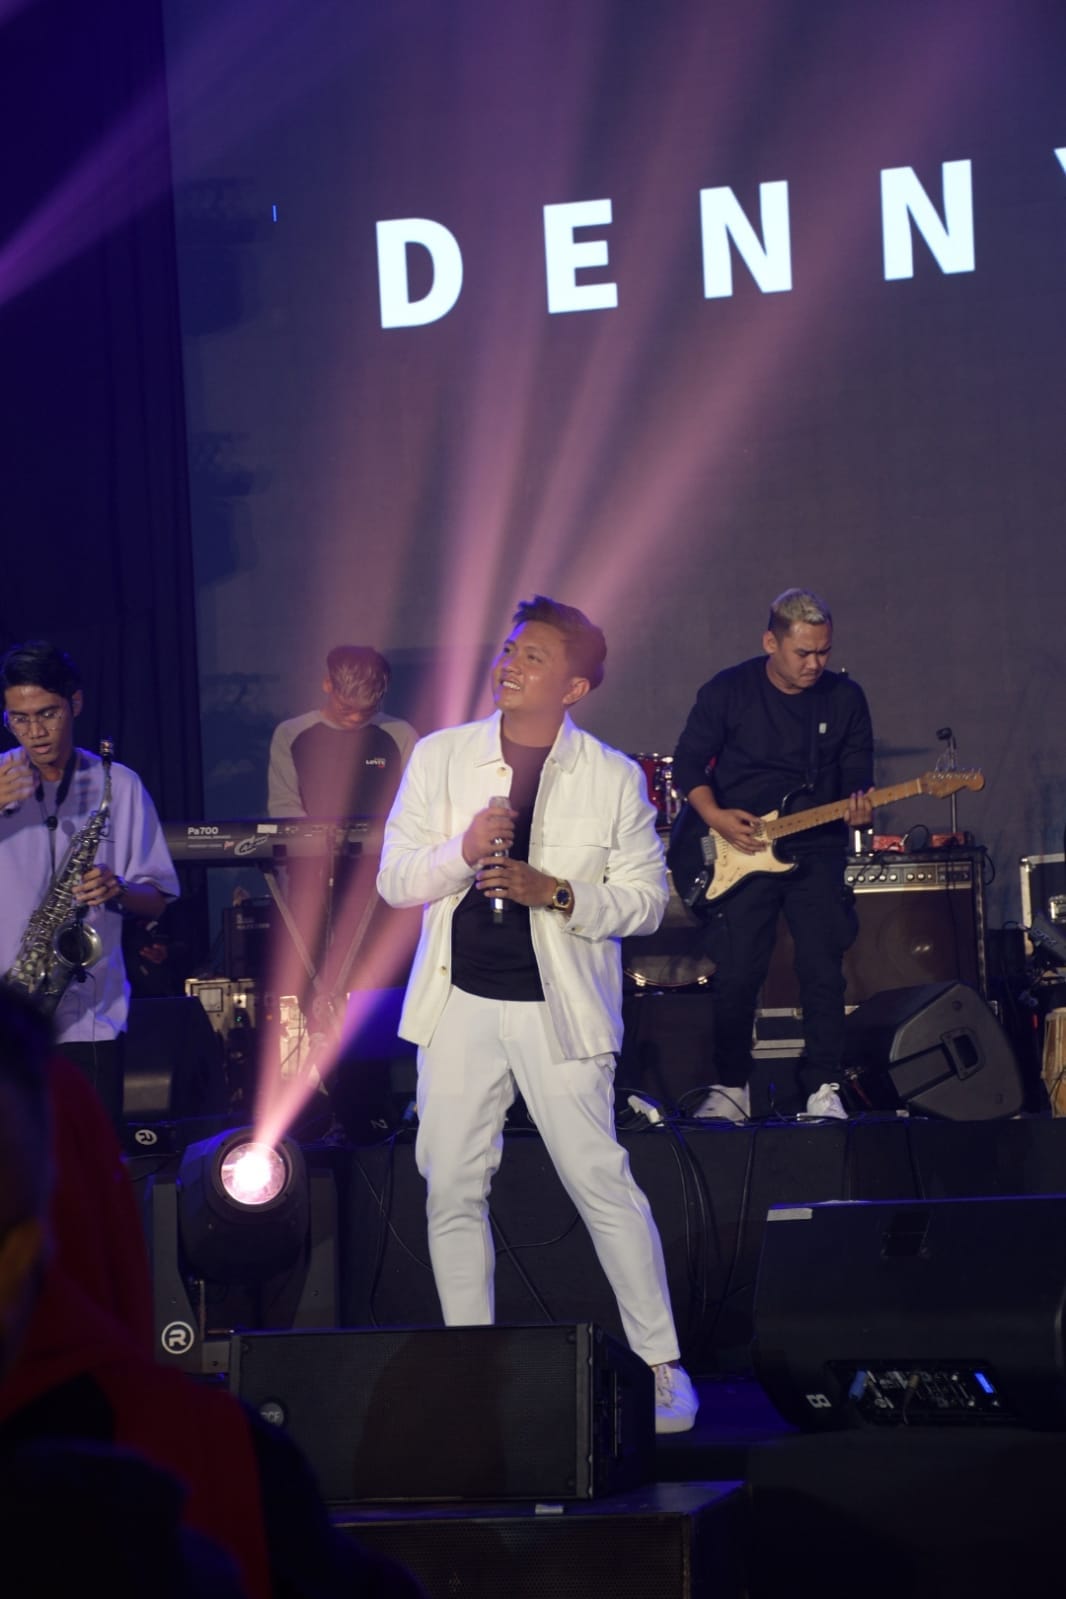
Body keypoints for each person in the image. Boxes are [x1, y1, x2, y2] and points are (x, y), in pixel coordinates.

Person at [377, 595, 699, 1434]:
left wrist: (553, 890)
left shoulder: (611, 775)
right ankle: (471, 1370)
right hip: (459, 1001)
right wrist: (463, 849)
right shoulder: (443, 757)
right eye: (509, 650)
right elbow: (395, 879)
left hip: (560, 1008)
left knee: (599, 1178)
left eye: (532, 657)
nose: (509, 665)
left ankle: (662, 1365)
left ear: (575, 685)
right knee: (451, 1182)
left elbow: (647, 902)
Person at [671, 588, 874, 1120]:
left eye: (824, 652)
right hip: (740, 846)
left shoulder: (844, 699)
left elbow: (857, 772)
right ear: (770, 642)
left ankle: (823, 1086)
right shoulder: (728, 690)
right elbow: (688, 763)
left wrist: (858, 806)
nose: (815, 664)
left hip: (817, 846)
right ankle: (732, 1087)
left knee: (822, 970)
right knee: (738, 972)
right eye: (803, 652)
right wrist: (716, 816)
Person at [0, 641, 179, 1126]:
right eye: (19, 719)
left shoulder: (120, 785)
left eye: (47, 714)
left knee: (88, 1162)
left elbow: (157, 900)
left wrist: (118, 889)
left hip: (90, 1019)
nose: (35, 733)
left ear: (74, 703)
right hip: (9, 1017)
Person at [268, 645, 416, 821]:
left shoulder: (401, 734)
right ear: (328, 684)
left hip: (389, 837)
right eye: (346, 708)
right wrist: (310, 836)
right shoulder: (290, 733)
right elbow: (284, 805)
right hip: (309, 838)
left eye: (367, 710)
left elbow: (417, 802)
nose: (356, 717)